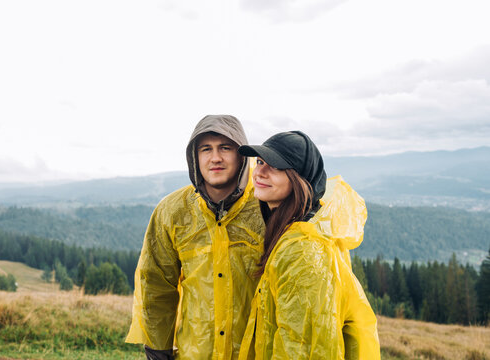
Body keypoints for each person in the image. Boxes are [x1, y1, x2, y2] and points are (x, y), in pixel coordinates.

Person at [125, 115, 265, 359]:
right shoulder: (172, 211)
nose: (215, 158)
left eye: (225, 148)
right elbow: (156, 286)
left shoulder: (267, 206)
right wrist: (158, 349)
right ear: (195, 157)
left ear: (242, 155)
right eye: (206, 149)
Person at [237, 131, 381, 359]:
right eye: (260, 162)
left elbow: (302, 347)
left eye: (274, 166)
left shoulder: (303, 251)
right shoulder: (298, 228)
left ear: (298, 179)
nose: (259, 172)